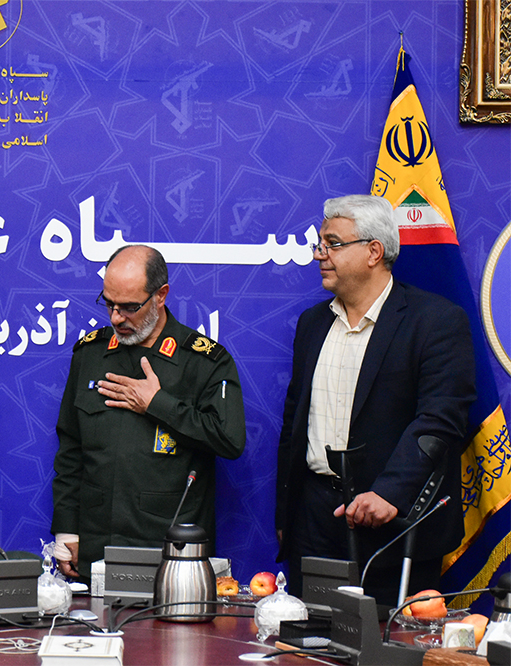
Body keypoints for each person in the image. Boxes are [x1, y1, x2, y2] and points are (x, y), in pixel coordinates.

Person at [275, 195, 476, 605]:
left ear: (373, 252)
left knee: (388, 637)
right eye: (319, 244)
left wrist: (389, 493)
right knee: (309, 635)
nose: (319, 254)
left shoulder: (435, 321)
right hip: (313, 521)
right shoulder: (312, 324)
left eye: (332, 243)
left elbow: (440, 420)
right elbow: (294, 421)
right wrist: (286, 514)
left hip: (393, 523)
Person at [51, 245, 247, 579]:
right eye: (109, 304)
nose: (116, 318)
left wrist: (157, 404)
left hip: (170, 550)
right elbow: (71, 449)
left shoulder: (204, 361)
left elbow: (230, 440)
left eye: (130, 307)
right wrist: (67, 529)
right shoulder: (90, 354)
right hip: (96, 545)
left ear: (160, 296)